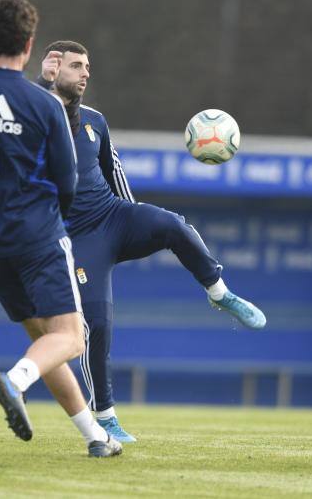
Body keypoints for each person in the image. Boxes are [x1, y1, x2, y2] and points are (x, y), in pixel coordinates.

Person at [34, 40, 266, 442]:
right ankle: (105, 416)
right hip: (76, 238)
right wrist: (42, 84)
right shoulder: (36, 115)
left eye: (88, 65)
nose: (86, 72)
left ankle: (219, 292)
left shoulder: (96, 121)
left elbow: (114, 173)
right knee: (98, 324)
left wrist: (134, 222)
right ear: (55, 70)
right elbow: (35, 116)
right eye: (76, 66)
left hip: (113, 217)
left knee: (173, 225)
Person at [0, 0, 121, 458]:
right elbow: (67, 181)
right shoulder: (44, 103)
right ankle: (15, 383)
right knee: (71, 337)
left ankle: (96, 438)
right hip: (37, 237)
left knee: (47, 340)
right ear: (31, 44)